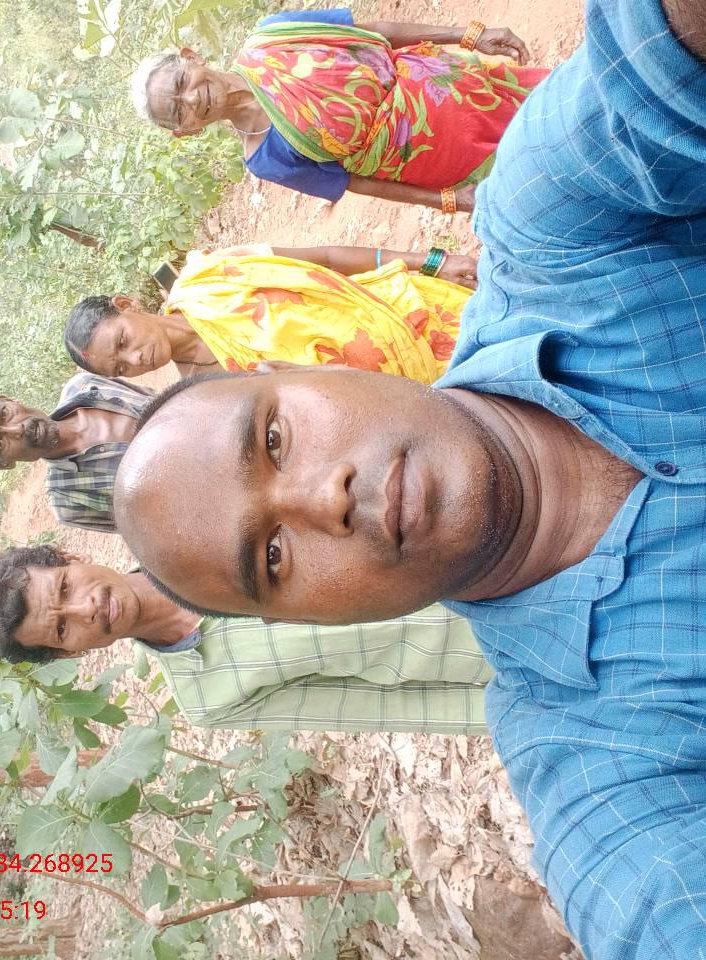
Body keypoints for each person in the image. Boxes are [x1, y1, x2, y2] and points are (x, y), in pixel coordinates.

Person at [113, 1, 706, 955]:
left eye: (275, 438)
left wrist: (436, 218)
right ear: (308, 623)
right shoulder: (598, 755)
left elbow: (651, 75)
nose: (322, 500)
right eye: (272, 557)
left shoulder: (552, 233)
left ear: (304, 364)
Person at [0, 545, 490, 733]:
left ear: (71, 558)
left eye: (65, 587)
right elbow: (382, 710)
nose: (86, 608)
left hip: (483, 565)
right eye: (63, 628)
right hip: (494, 657)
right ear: (71, 652)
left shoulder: (201, 533)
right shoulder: (208, 698)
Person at [131, 9, 548, 214]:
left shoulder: (274, 36)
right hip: (442, 160)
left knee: (559, 112)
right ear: (185, 132)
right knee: (540, 180)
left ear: (192, 57)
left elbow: (373, 33)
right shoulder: (264, 158)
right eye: (178, 112)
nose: (191, 100)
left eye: (181, 82)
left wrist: (469, 35)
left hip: (468, 88)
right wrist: (447, 200)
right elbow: (357, 182)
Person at [66, 244, 476, 382]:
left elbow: (324, 259)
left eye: (122, 342)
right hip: (430, 388)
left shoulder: (212, 276)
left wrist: (431, 262)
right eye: (121, 368)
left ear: (126, 305)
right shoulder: (207, 390)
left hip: (427, 312)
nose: (136, 358)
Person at [0, 372, 152, 532]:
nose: (17, 429)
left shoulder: (85, 386)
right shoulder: (69, 501)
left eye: (4, 414)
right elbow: (147, 537)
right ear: (3, 463)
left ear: (9, 400)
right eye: (0, 443)